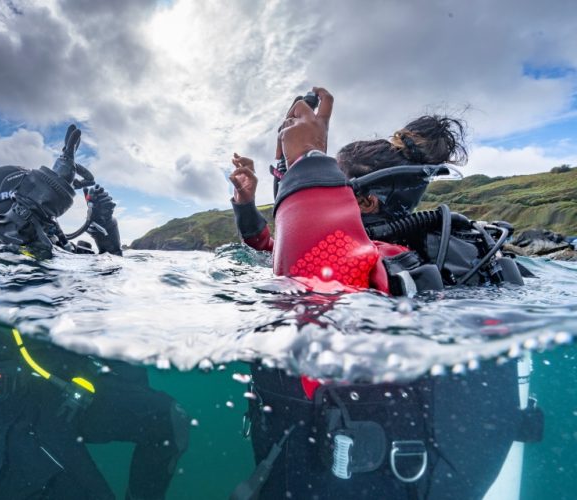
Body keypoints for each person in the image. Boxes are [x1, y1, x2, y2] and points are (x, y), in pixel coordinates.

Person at [227, 90, 542, 499]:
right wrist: (249, 200)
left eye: (341, 187)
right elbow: (272, 243)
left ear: (366, 201)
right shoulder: (393, 255)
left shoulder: (375, 260)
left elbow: (310, 256)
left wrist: (308, 159)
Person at [0, 125, 190, 500]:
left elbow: (106, 304)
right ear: (13, 202)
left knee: (167, 417)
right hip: (19, 419)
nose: (48, 221)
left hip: (73, 399)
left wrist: (108, 240)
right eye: (32, 201)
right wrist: (33, 204)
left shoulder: (60, 252)